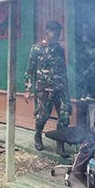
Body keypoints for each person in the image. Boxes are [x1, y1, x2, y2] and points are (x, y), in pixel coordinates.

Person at [25, 20, 71, 156]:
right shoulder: (37, 48)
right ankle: (38, 136)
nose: (56, 35)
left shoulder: (59, 49)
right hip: (44, 90)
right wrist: (28, 89)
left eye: (58, 33)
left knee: (64, 117)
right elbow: (29, 70)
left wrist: (67, 93)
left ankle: (60, 145)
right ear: (46, 32)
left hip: (61, 89)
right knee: (42, 117)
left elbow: (63, 70)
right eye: (53, 32)